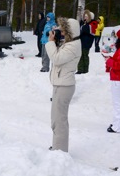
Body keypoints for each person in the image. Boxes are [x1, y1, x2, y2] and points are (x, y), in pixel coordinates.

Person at [45, 17, 80, 152]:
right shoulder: (70, 44)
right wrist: (57, 42)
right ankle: (57, 146)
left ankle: (60, 150)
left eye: (64, 31)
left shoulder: (72, 46)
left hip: (64, 86)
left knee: (59, 120)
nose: (62, 33)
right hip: (61, 84)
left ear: (71, 32)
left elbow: (57, 59)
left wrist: (50, 43)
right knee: (56, 119)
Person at [104, 29, 120, 133]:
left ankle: (118, 126)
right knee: (117, 103)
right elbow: (119, 62)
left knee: (118, 103)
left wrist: (109, 61)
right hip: (119, 78)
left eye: (118, 36)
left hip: (119, 78)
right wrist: (109, 59)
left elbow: (119, 65)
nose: (116, 38)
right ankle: (117, 123)